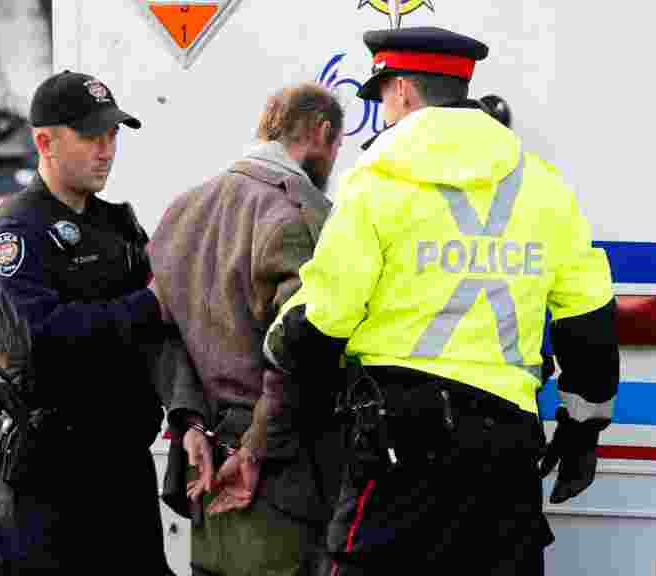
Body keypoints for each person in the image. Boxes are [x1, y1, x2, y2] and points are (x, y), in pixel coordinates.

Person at [264, 27, 619, 575]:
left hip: (399, 446)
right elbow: (588, 318)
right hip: (506, 448)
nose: (384, 113)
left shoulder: (374, 182)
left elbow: (329, 316)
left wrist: (282, 340)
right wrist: (582, 431)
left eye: (382, 96)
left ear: (402, 90)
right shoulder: (544, 185)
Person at [0, 70, 172, 574]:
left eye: (112, 135)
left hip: (122, 468)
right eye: (90, 136)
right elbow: (42, 338)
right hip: (50, 481)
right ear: (45, 142)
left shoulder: (117, 225)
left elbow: (166, 329)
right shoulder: (13, 234)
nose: (106, 150)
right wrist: (147, 306)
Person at [147, 82, 345, 576]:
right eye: (337, 147)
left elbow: (160, 331)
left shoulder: (183, 209)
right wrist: (256, 446)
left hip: (206, 464)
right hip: (278, 471)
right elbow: (301, 348)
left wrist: (188, 418)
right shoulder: (296, 212)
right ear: (322, 132)